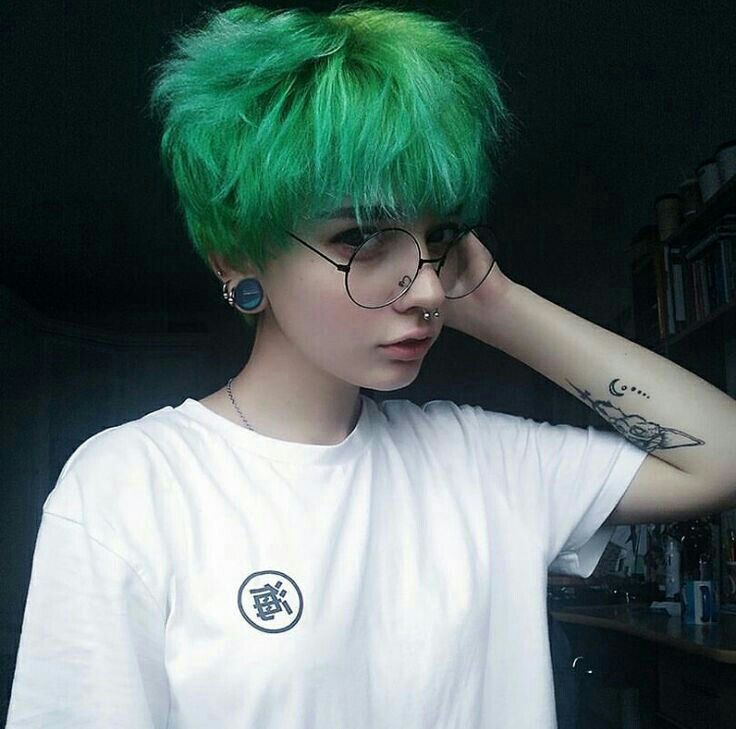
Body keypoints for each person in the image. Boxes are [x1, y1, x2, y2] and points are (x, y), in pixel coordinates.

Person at [6, 4, 648, 728]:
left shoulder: (483, 461)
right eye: (362, 238)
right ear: (237, 257)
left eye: (438, 238)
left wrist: (498, 301)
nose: (429, 290)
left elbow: (718, 463)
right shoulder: (130, 485)